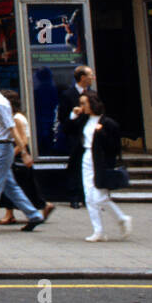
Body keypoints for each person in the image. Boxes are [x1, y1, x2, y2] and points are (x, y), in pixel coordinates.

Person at [0, 70, 45, 236]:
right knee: (10, 186)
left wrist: (24, 152)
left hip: (2, 148)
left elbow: (11, 128)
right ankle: (34, 215)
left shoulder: (0, 104)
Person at [79, 91, 132, 243]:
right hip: (87, 158)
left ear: (92, 104)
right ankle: (98, 230)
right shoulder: (84, 120)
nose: (82, 107)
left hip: (100, 161)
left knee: (99, 197)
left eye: (84, 103)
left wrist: (100, 134)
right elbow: (68, 128)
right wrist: (73, 114)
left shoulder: (108, 123)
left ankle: (122, 218)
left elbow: (113, 146)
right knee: (89, 197)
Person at [0, 89, 55, 225]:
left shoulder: (16, 119)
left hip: (17, 155)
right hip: (18, 154)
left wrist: (11, 155)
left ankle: (11, 214)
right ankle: (14, 212)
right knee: (23, 186)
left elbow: (22, 141)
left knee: (12, 185)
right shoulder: (18, 117)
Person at [57, 65, 94, 207]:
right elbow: (62, 117)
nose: (92, 77)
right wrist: (74, 116)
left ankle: (87, 196)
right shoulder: (68, 95)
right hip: (74, 135)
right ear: (82, 77)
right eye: (90, 75)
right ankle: (74, 196)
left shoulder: (92, 94)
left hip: (90, 135)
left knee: (89, 166)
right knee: (75, 165)